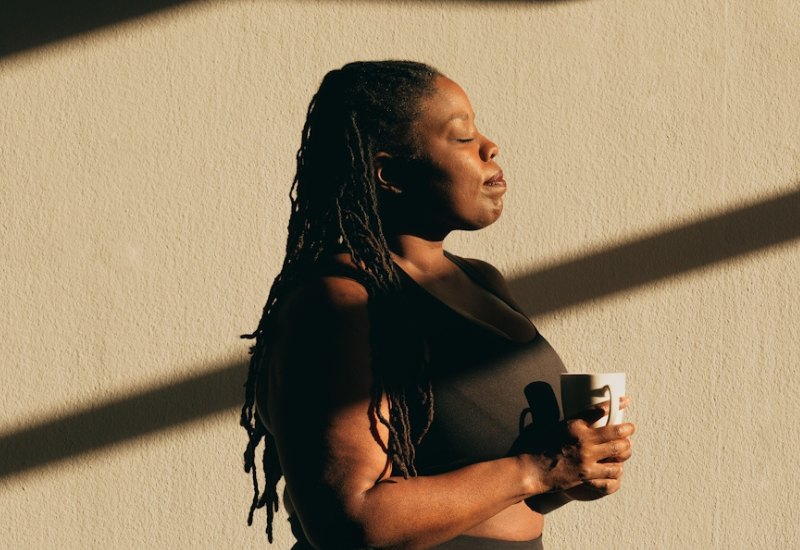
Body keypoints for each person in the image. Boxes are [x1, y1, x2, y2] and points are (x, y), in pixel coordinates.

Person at [240, 60, 636, 550]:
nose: (490, 147)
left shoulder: (482, 280)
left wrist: (569, 475)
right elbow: (351, 520)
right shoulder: (341, 299)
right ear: (389, 173)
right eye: (462, 136)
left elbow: (496, 496)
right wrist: (535, 469)